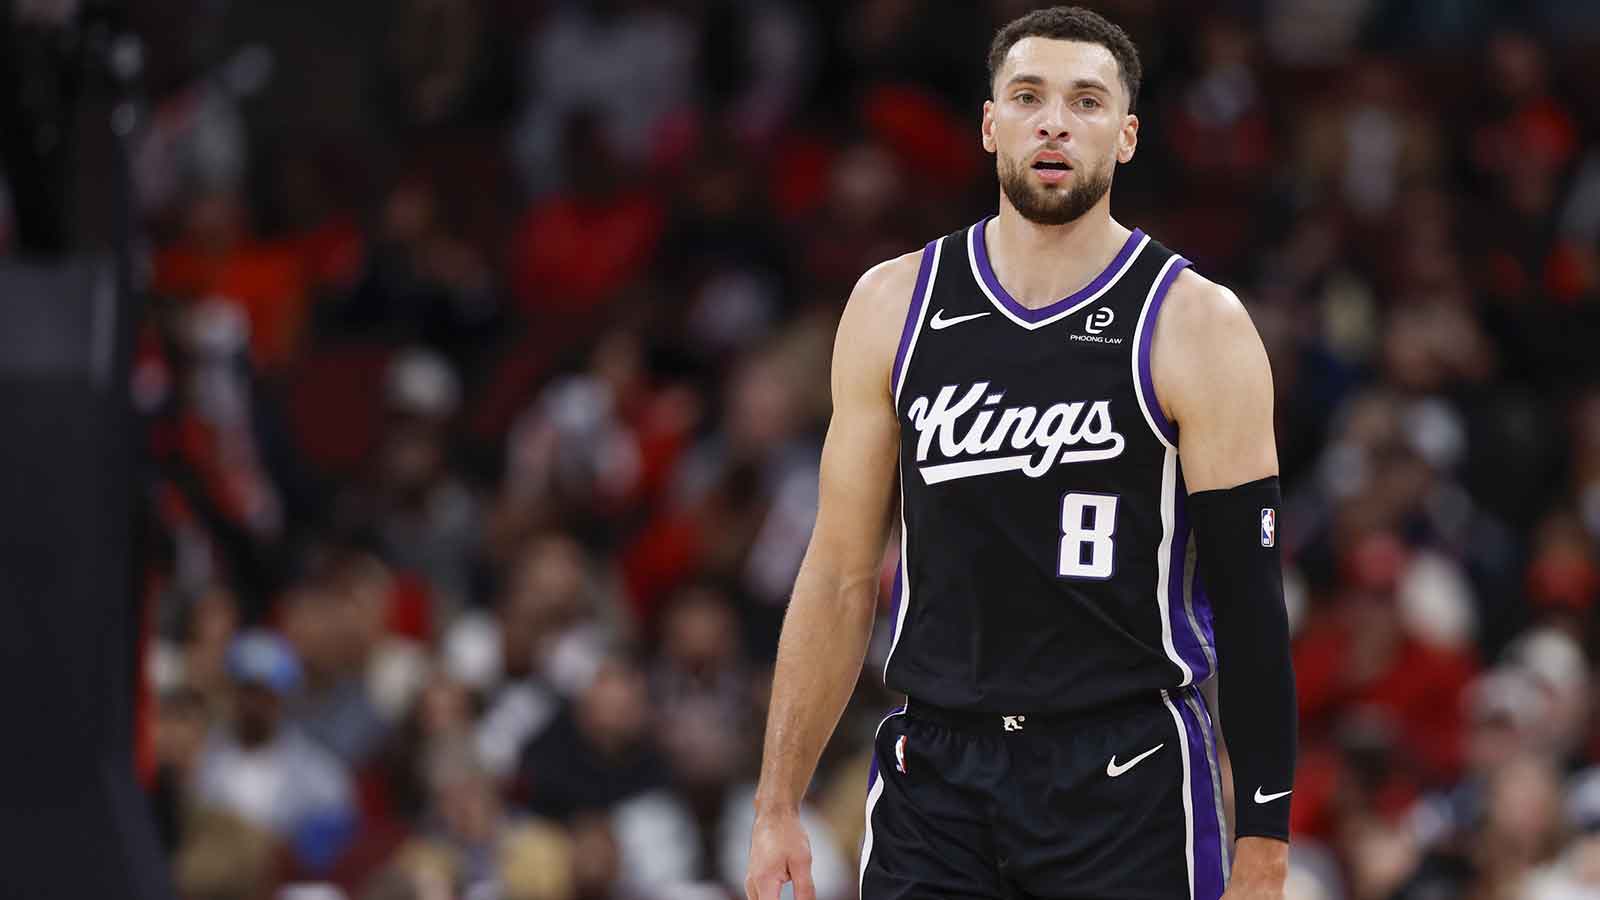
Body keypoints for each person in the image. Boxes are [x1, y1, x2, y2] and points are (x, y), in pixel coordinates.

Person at [745, 7, 1296, 900]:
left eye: (1085, 101)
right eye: (1029, 96)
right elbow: (841, 574)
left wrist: (1265, 840)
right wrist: (778, 804)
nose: (1053, 121)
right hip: (939, 770)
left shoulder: (1198, 324)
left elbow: (1250, 600)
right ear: (990, 123)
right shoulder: (893, 305)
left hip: (1127, 767)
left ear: (1126, 137)